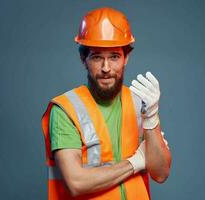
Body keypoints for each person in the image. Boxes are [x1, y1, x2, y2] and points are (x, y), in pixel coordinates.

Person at [41, 7, 171, 200]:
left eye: (114, 57)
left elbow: (160, 173)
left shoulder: (140, 104)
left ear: (126, 58)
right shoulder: (66, 110)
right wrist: (135, 162)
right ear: (83, 58)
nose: (106, 68)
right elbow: (76, 183)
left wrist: (151, 118)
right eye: (97, 57)